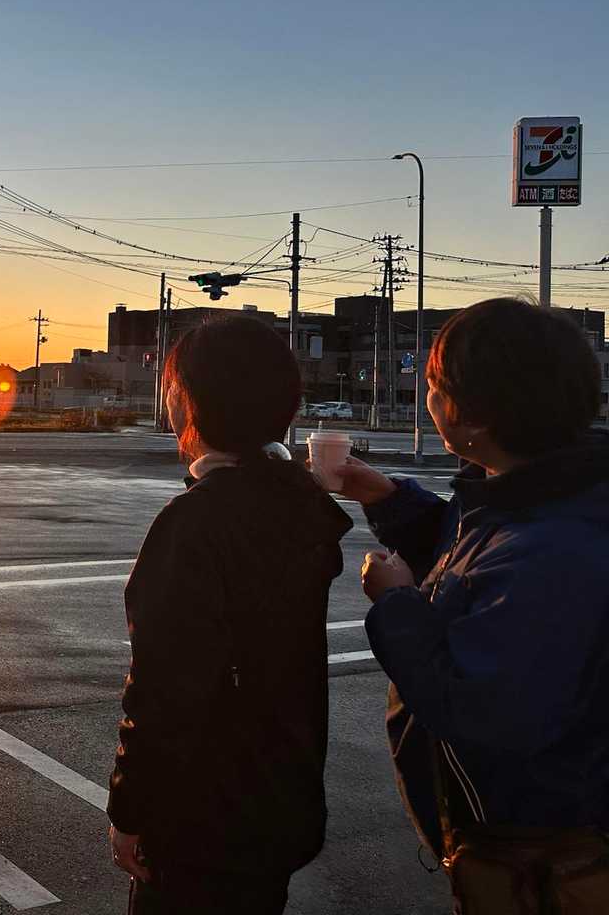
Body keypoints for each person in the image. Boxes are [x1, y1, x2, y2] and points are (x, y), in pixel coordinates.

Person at [342, 298, 609, 912]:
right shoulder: (540, 496)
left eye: (434, 386)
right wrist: (387, 499)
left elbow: (480, 710)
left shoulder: (554, 549)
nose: (427, 399)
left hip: (541, 862)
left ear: (472, 415)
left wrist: (398, 605)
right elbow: (474, 558)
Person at [107, 315, 351, 914]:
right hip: (279, 802)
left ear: (190, 405)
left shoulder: (195, 524)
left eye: (172, 389)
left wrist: (130, 808)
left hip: (202, 818)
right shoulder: (301, 509)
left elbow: (164, 691)